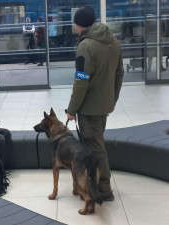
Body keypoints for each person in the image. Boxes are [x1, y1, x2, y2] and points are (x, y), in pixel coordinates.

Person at [66, 6, 124, 201]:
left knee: (94, 149)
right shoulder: (114, 42)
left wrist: (72, 109)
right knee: (97, 144)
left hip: (89, 109)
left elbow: (81, 81)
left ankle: (103, 189)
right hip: (104, 106)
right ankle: (94, 184)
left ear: (78, 25)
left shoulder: (86, 46)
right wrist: (112, 99)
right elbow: (119, 74)